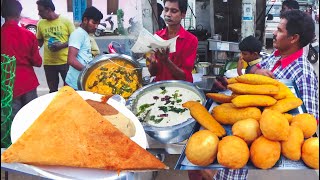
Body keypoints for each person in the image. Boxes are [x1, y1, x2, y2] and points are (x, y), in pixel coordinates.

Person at [252, 10, 318, 121]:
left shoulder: (303, 74)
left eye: (279, 30)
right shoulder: (276, 55)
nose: (274, 33)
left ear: (293, 38)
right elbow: (253, 68)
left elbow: (310, 121)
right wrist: (256, 72)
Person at [1, 0, 42, 119]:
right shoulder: (29, 35)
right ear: (19, 14)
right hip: (28, 82)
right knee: (31, 118)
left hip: (7, 83)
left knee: (13, 121)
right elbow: (38, 62)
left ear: (3, 14)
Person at [147, 0, 198, 83]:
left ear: (183, 14)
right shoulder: (157, 37)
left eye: (173, 11)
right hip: (160, 88)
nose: (168, 14)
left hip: (182, 89)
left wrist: (166, 61)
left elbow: (185, 77)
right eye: (166, 10)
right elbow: (153, 73)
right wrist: (152, 64)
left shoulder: (191, 40)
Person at [36, 0, 75, 93]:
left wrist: (61, 46)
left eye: (40, 10)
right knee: (52, 91)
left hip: (65, 62)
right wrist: (34, 49)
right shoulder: (40, 23)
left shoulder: (65, 21)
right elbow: (40, 40)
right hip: (49, 64)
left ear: (48, 9)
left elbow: (75, 40)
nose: (38, 13)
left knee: (69, 90)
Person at [65, 6, 103, 90]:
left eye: (98, 24)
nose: (96, 26)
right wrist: (89, 71)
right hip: (74, 84)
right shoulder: (78, 34)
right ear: (85, 20)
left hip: (80, 81)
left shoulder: (85, 34)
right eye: (94, 23)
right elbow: (71, 60)